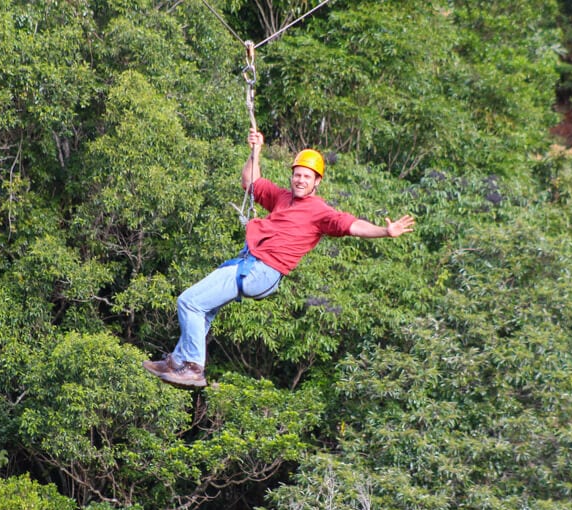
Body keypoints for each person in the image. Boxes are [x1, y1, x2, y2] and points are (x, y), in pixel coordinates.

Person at [143, 129, 415, 387]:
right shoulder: (282, 198)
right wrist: (255, 151)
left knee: (188, 302)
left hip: (261, 270)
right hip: (249, 265)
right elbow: (250, 183)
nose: (300, 180)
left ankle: (192, 367)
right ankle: (178, 362)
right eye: (297, 175)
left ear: (317, 181)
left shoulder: (320, 212)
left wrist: (384, 231)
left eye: (307, 177)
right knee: (204, 310)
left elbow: (352, 226)